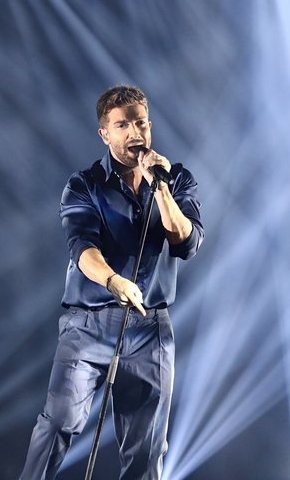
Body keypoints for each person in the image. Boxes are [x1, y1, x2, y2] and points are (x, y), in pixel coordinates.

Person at [19, 85, 204, 480]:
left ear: (149, 125)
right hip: (88, 324)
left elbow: (186, 242)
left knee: (147, 446)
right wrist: (114, 280)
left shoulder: (176, 179)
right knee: (58, 423)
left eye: (140, 122)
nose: (134, 131)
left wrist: (161, 186)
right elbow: (82, 248)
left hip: (150, 327)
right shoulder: (84, 184)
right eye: (122, 124)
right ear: (105, 133)